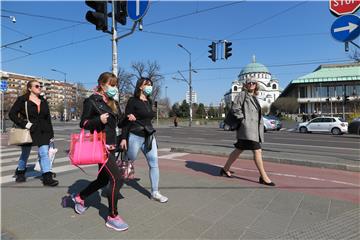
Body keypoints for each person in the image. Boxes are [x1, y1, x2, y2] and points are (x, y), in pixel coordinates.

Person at [71, 72, 128, 232]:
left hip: (111, 145)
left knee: (103, 180)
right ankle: (112, 216)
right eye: (112, 84)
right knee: (117, 178)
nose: (114, 88)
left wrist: (128, 119)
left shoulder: (113, 102)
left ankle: (79, 197)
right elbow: (83, 123)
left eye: (115, 85)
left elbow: (118, 122)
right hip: (100, 146)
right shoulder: (91, 101)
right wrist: (97, 120)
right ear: (102, 85)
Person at [120, 77, 168, 203]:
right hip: (135, 135)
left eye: (151, 85)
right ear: (140, 86)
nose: (150, 87)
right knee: (131, 159)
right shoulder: (132, 101)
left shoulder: (149, 101)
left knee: (154, 163)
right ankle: (119, 171)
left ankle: (155, 192)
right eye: (147, 84)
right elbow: (126, 121)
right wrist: (124, 138)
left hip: (149, 136)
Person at [220, 78, 275, 186]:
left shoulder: (254, 97)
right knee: (257, 151)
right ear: (245, 85)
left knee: (238, 150)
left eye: (253, 83)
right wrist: (242, 120)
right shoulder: (242, 95)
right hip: (247, 129)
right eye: (249, 83)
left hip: (253, 129)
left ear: (256, 85)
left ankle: (225, 169)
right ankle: (263, 177)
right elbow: (235, 108)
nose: (251, 84)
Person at [9, 80, 58, 186]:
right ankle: (21, 172)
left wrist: (51, 134)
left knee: (44, 153)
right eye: (36, 86)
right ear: (30, 88)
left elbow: (47, 118)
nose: (39, 87)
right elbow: (12, 114)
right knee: (25, 153)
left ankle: (47, 177)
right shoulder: (23, 100)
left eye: (40, 86)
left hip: (43, 131)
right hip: (29, 130)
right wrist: (24, 124)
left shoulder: (43, 100)